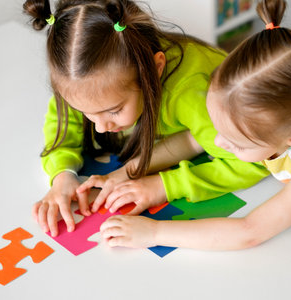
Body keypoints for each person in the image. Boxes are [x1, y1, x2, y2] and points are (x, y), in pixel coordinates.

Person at [99, 0, 291, 251]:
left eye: (237, 143)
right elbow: (193, 140)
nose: (219, 142)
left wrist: (154, 234)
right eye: (219, 128)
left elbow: (250, 231)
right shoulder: (275, 124)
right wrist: (130, 169)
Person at [23, 0, 269, 236]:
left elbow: (252, 160)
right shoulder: (82, 78)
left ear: (155, 69)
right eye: (86, 111)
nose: (99, 127)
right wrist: (62, 175)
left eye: (114, 110)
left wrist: (164, 186)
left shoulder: (192, 92)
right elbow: (62, 126)